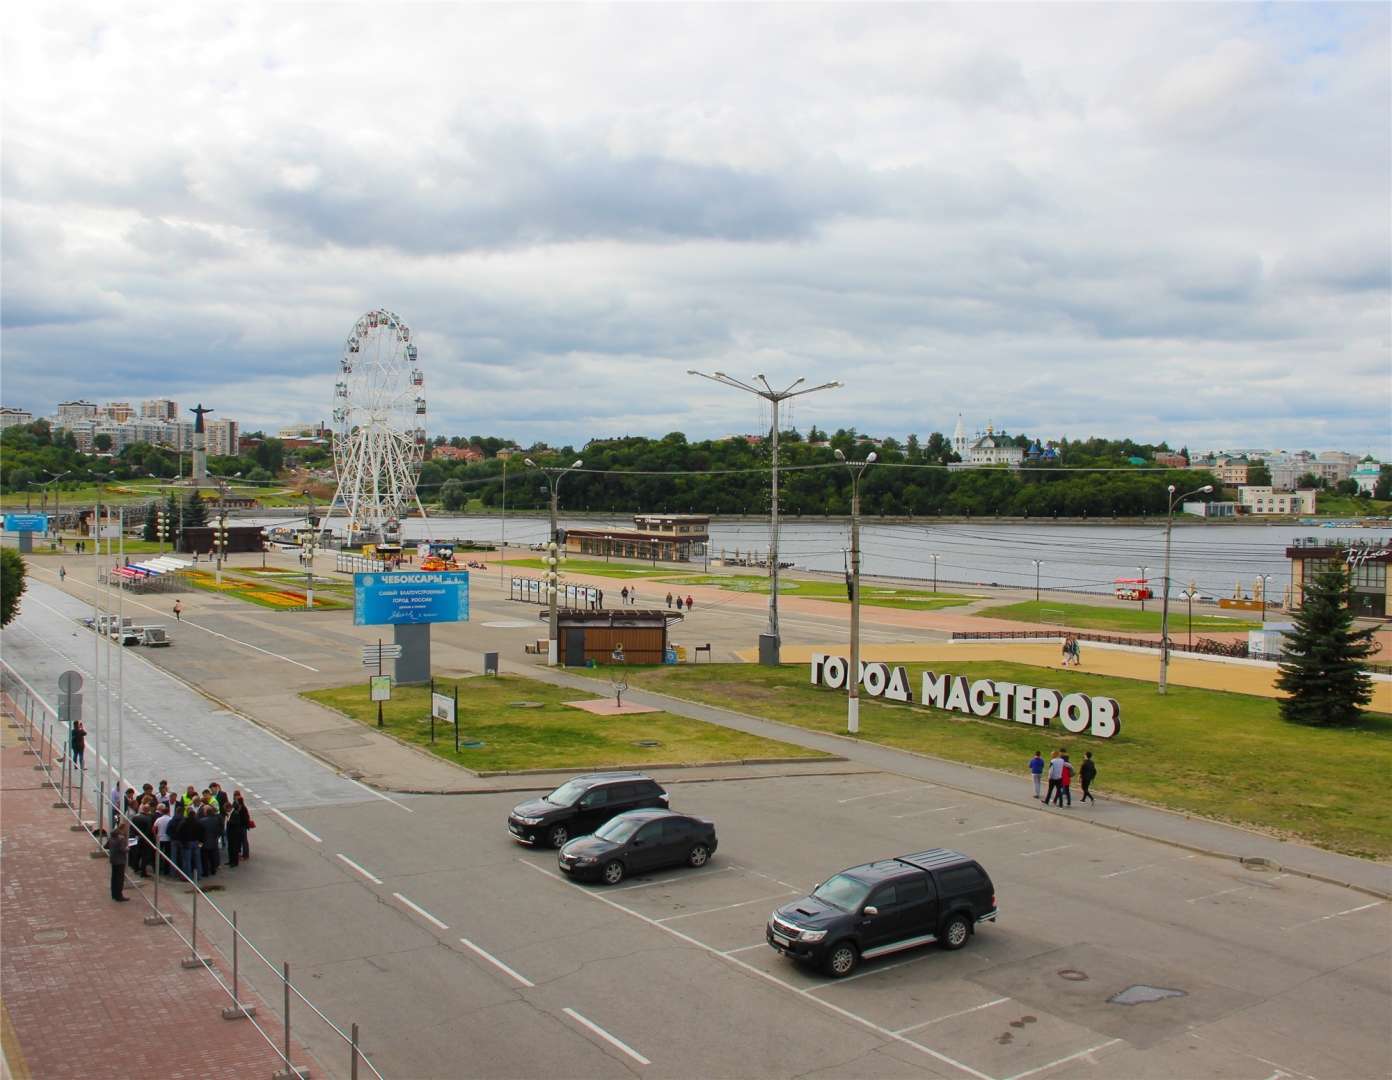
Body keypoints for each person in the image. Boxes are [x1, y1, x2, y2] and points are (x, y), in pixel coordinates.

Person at [225, 791, 251, 867]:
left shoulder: (242, 809)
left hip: (242, 827)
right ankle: (242, 854)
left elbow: (243, 819)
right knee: (242, 841)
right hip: (241, 827)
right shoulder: (239, 808)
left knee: (244, 840)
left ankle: (245, 854)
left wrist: (231, 821)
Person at [108, 821, 130, 901]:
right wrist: (127, 848)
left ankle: (114, 893)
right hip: (120, 860)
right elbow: (122, 850)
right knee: (120, 878)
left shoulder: (112, 835)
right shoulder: (122, 838)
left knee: (114, 877)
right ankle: (119, 895)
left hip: (113, 858)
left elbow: (108, 845)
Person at [199, 805, 222, 877]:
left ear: (205, 812)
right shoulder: (216, 820)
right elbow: (218, 830)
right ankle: (213, 870)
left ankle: (206, 872)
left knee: (205, 858)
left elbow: (201, 832)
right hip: (213, 841)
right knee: (212, 857)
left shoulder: (202, 821)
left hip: (205, 842)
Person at [153, 804, 173, 876]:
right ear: (168, 812)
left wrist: (155, 836)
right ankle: (166, 870)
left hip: (160, 839)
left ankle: (157, 869)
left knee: (158, 855)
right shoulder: (170, 819)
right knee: (167, 855)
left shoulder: (158, 819)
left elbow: (153, 829)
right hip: (167, 839)